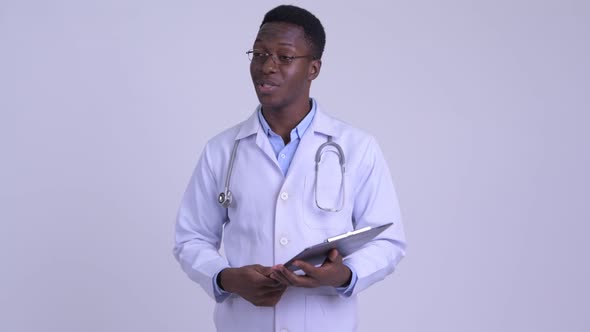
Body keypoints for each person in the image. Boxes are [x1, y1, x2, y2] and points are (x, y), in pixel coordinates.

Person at [173, 5, 406, 332]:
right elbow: (191, 238)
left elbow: (389, 240)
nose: (267, 66)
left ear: (313, 68)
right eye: (259, 53)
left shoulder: (357, 147)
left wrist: (345, 275)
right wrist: (226, 278)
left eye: (284, 57)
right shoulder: (222, 150)